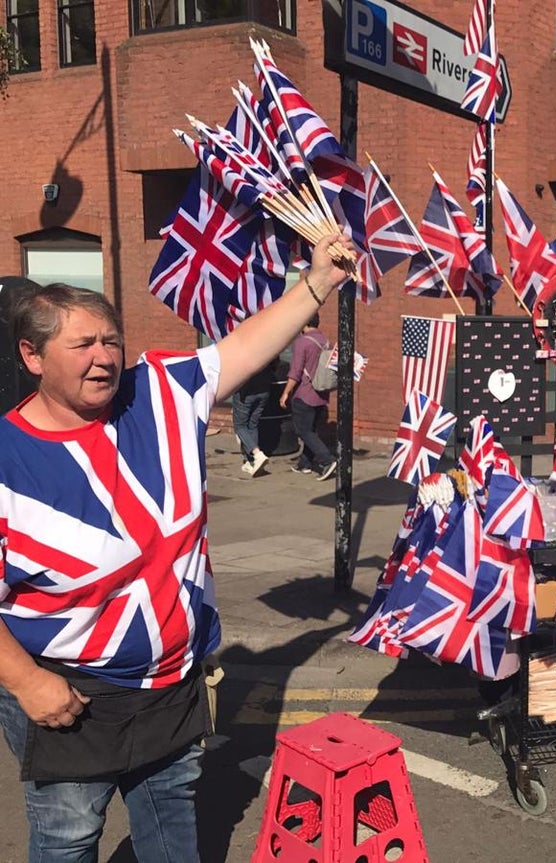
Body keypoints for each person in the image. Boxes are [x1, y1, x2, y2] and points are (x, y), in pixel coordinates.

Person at [0, 235, 354, 862]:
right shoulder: (8, 461)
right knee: (69, 836)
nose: (103, 358)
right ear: (32, 355)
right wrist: (27, 682)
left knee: (171, 816)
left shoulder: (161, 391)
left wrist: (318, 281)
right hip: (69, 691)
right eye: (82, 345)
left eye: (111, 341)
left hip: (173, 677)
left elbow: (245, 346)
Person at [280, 313, 337, 481]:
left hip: (304, 394)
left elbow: (296, 371)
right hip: (321, 393)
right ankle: (305, 463)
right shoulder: (325, 341)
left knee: (303, 430)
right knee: (311, 429)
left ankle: (327, 460)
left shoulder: (302, 342)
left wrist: (286, 392)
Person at [233, 358, 276, 477]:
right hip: (263, 390)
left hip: (246, 392)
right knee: (253, 425)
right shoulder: (265, 351)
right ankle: (250, 461)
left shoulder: (244, 353)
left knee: (240, 426)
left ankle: (257, 454)